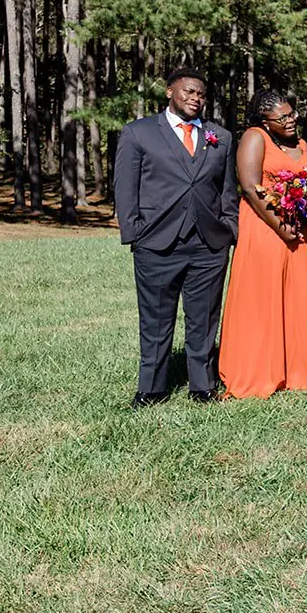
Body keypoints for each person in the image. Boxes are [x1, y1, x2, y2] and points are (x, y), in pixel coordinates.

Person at [113, 70, 238, 406]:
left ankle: (202, 385)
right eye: (188, 91)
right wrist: (135, 232)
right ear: (170, 92)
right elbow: (125, 188)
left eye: (200, 93)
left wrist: (229, 230)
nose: (195, 97)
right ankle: (152, 389)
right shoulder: (139, 133)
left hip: (209, 244)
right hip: (156, 242)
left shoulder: (220, 137)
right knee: (155, 318)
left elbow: (227, 190)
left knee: (205, 317)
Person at [217, 91, 307, 398]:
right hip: (265, 228)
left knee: (301, 296)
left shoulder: (303, 144)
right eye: (283, 117)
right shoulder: (255, 138)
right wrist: (281, 227)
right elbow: (252, 189)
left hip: (302, 232)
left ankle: (300, 370)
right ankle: (258, 371)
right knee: (263, 297)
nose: (291, 120)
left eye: (292, 114)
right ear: (264, 120)